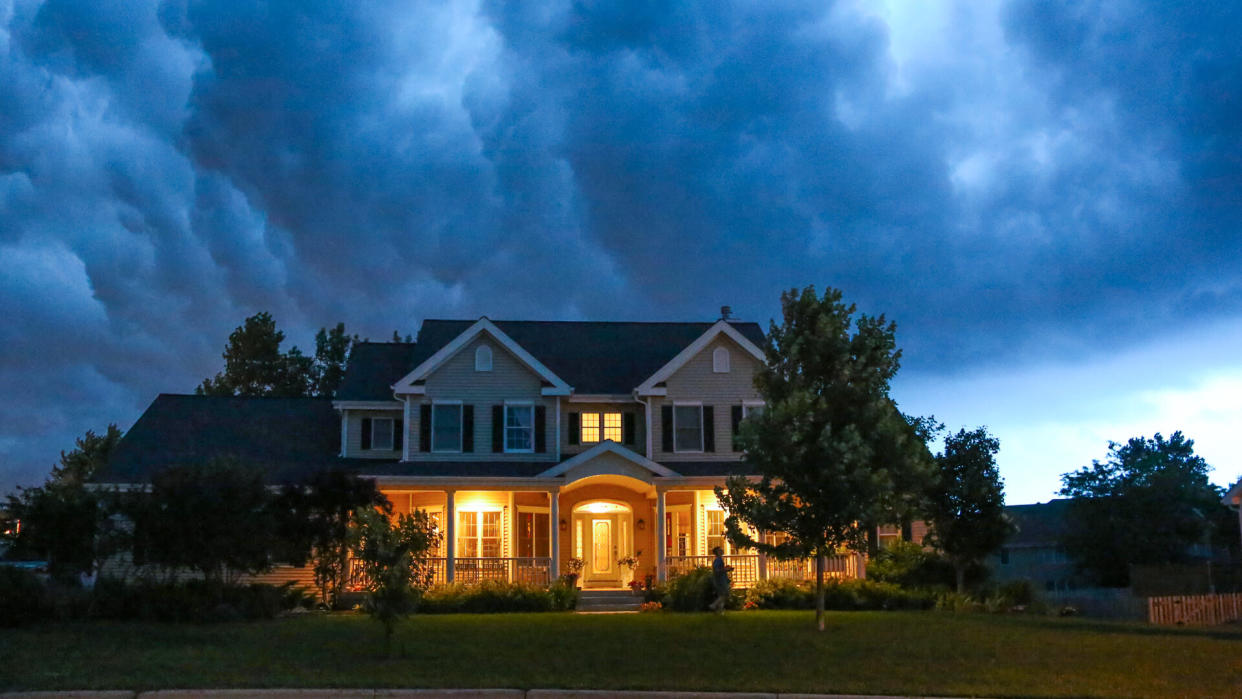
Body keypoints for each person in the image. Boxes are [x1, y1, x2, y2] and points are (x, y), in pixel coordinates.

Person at [708, 546, 732, 612]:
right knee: (725, 594)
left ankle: (720, 611)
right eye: (720, 550)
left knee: (721, 595)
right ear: (717, 553)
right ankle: (713, 605)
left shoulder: (719, 559)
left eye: (721, 549)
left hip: (721, 579)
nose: (722, 550)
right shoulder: (718, 560)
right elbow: (717, 570)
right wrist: (726, 569)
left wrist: (726, 568)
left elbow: (720, 569)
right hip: (720, 580)